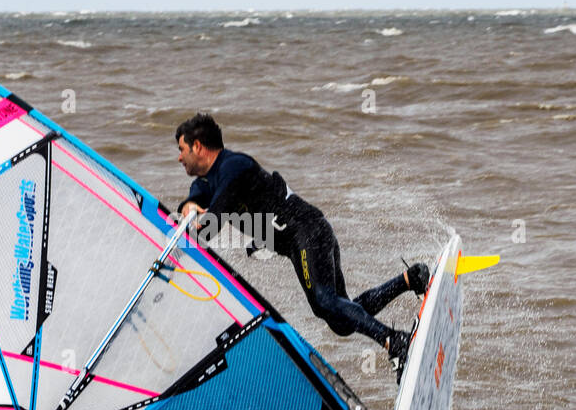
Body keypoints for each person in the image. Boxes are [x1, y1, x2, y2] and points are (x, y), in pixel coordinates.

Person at [174, 112, 428, 381]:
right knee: (340, 319)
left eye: (181, 149)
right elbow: (196, 195)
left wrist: (195, 228)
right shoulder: (207, 181)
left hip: (307, 231)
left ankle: (393, 341)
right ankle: (410, 279)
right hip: (303, 239)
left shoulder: (234, 167)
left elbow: (213, 222)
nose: (179, 158)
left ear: (198, 146)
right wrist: (187, 206)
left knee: (325, 301)